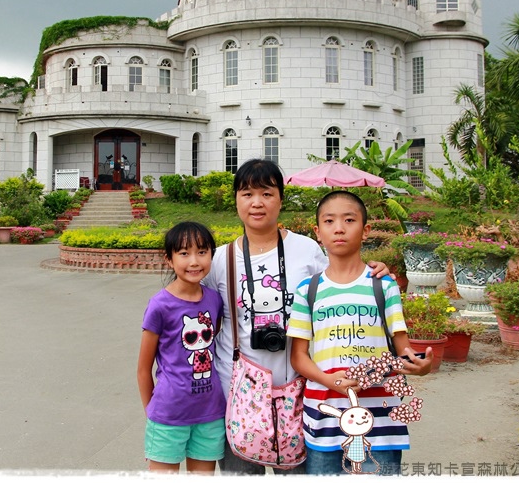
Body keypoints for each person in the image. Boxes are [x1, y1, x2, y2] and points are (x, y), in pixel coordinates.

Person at [203, 159, 391, 475]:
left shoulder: (306, 251)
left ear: (281, 199)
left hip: (301, 394)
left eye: (267, 193)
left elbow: (340, 284)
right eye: (247, 194)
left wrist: (373, 272)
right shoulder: (221, 259)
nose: (257, 203)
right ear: (236, 199)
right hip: (235, 397)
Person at [287, 190, 434, 476]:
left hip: (380, 422)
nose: (339, 228)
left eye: (349, 220)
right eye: (329, 221)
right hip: (324, 419)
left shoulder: (384, 286)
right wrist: (330, 380)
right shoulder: (308, 289)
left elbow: (402, 349)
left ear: (365, 230)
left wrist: (421, 366)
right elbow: (299, 358)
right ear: (318, 232)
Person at [137, 221, 226, 474]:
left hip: (210, 413)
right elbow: (144, 368)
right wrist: (152, 412)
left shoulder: (213, 299)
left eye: (202, 252)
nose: (194, 261)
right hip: (168, 415)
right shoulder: (160, 305)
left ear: (211, 254)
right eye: (184, 253)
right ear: (169, 259)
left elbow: (212, 340)